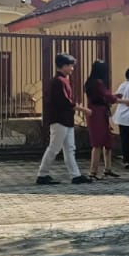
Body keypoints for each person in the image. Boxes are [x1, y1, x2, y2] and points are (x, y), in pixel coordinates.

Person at [37, 53, 91, 185]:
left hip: (66, 120)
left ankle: (75, 175)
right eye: (70, 65)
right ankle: (42, 174)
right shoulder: (58, 81)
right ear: (64, 66)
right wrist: (83, 109)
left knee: (69, 148)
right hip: (59, 120)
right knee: (54, 148)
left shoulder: (63, 80)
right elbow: (64, 101)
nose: (72, 68)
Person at [83, 61, 121, 181]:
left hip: (97, 112)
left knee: (106, 139)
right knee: (98, 142)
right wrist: (119, 99)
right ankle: (93, 171)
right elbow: (107, 96)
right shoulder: (98, 82)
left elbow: (104, 95)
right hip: (97, 113)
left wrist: (114, 97)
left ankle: (107, 168)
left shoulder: (90, 82)